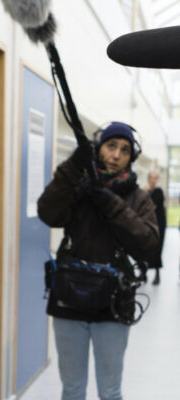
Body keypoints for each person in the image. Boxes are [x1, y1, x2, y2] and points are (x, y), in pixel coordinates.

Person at [37, 121, 158, 400]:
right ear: (98, 148)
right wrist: (72, 168)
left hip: (114, 306)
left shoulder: (138, 198)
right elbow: (48, 212)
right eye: (111, 146)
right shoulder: (77, 188)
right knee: (72, 390)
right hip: (69, 302)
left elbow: (148, 243)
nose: (116, 155)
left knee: (110, 391)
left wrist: (110, 202)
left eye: (125, 150)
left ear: (131, 157)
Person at [145, 171, 166, 284]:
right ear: (148, 178)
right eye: (151, 177)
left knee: (157, 248)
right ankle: (143, 272)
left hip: (159, 223)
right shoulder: (145, 190)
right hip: (147, 222)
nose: (152, 180)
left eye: (155, 178)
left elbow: (152, 205)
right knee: (144, 247)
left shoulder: (158, 191)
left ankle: (157, 274)